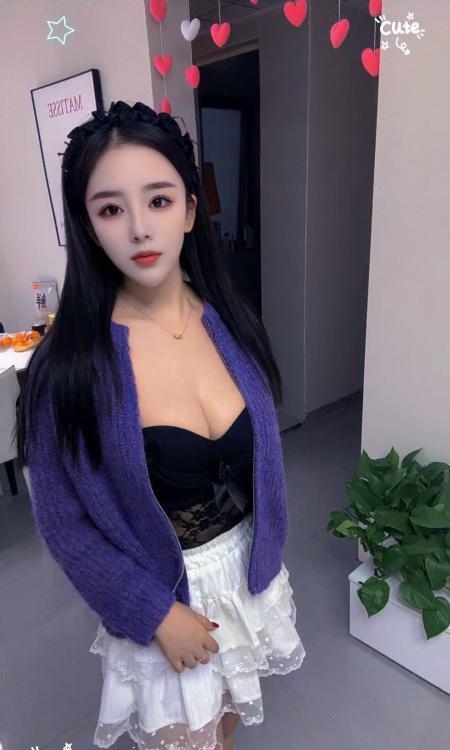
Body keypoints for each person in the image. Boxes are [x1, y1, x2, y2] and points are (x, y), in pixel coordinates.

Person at [15, 100, 306, 750]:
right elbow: (63, 523)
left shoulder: (228, 319)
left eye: (159, 200)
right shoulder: (69, 366)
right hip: (159, 595)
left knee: (226, 726)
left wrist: (269, 551)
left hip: (245, 579)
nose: (140, 228)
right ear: (89, 226)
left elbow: (261, 464)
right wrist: (153, 614)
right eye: (110, 209)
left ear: (190, 209)